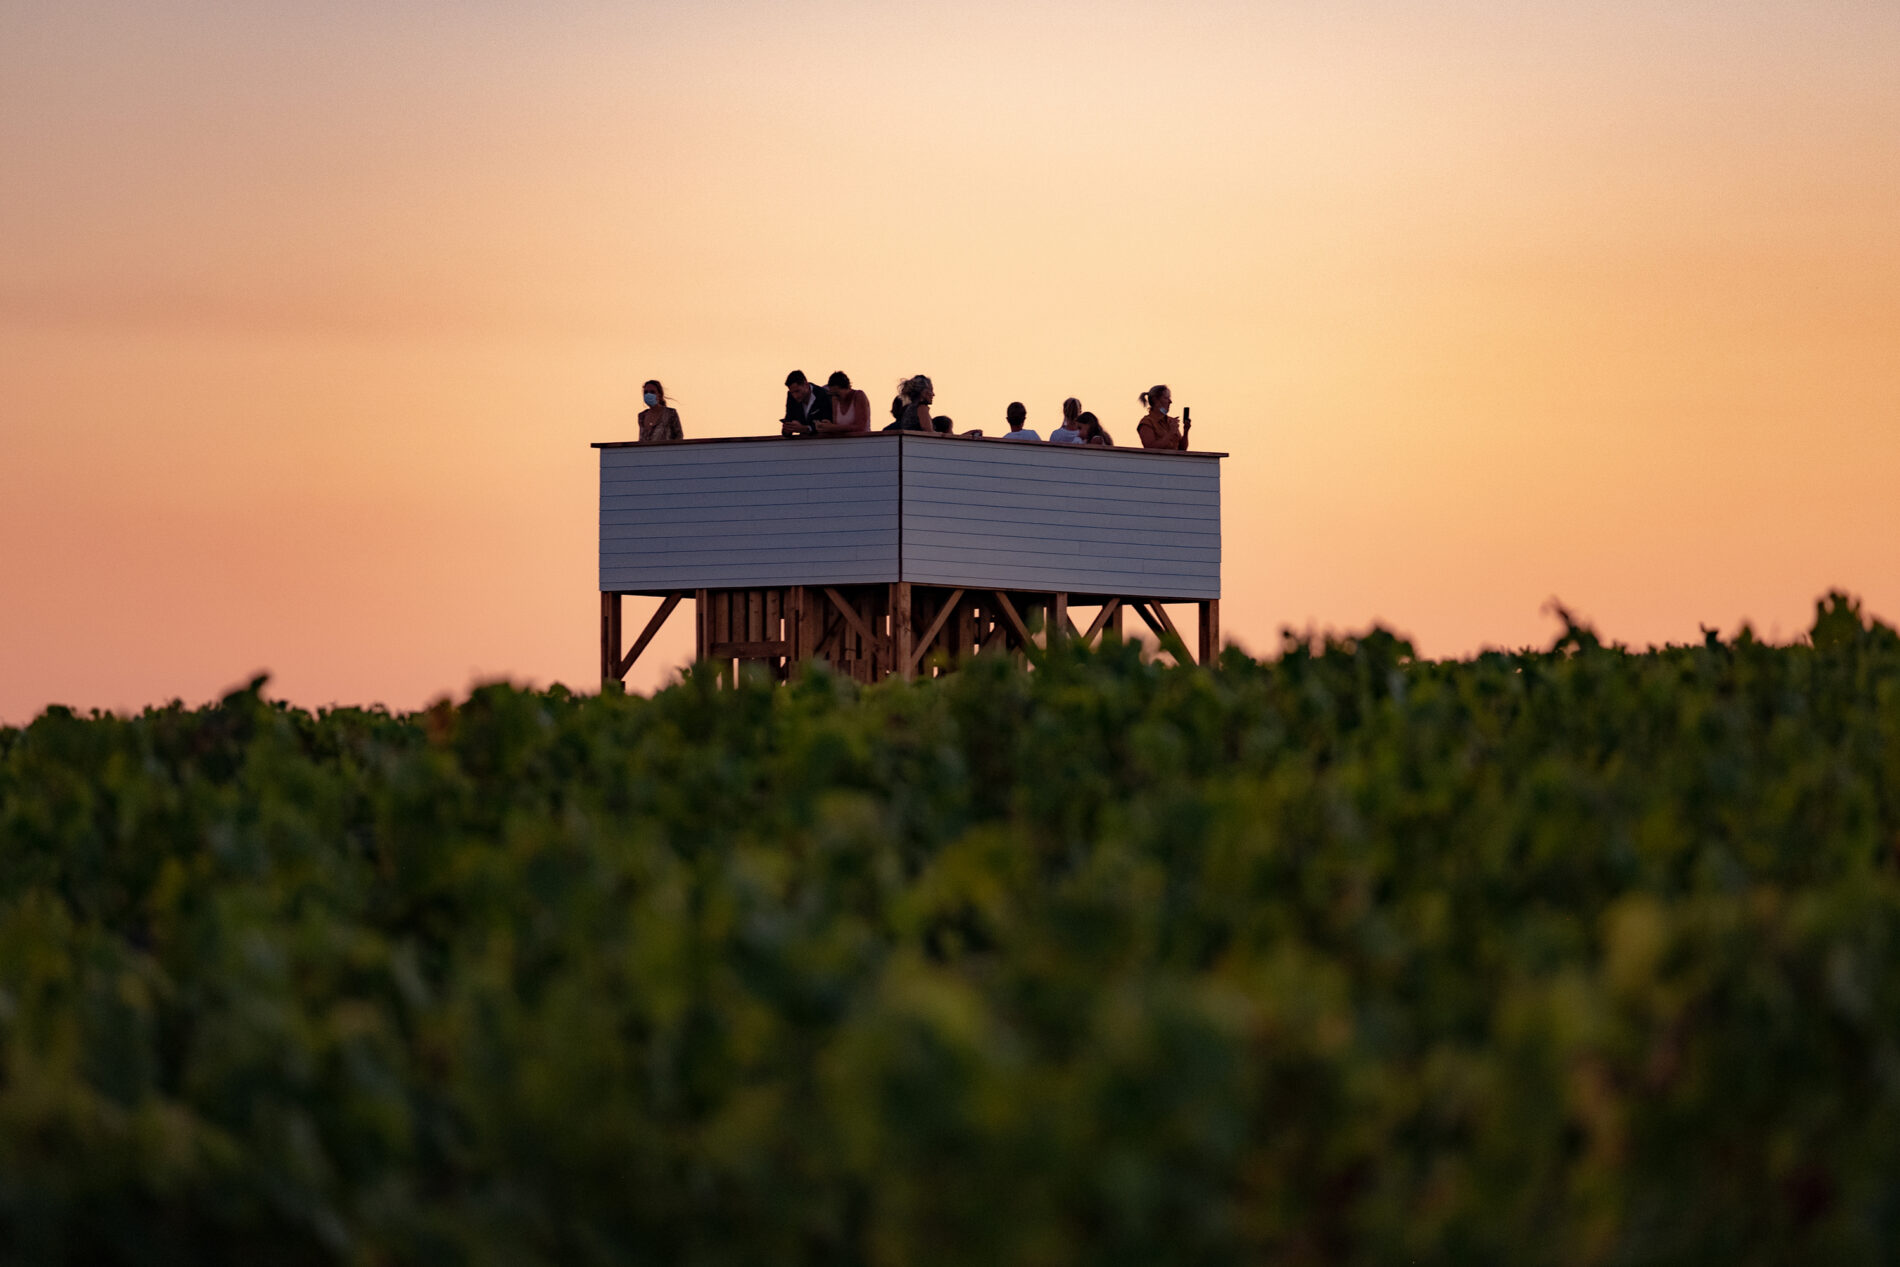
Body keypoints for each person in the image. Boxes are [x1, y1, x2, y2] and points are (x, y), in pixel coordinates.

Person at [815, 371, 872, 436]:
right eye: (832, 395)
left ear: (847, 388)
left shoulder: (858, 396)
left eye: (837, 394)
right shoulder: (835, 399)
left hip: (861, 441)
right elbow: (837, 427)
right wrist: (827, 426)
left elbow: (860, 427)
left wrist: (832, 427)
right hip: (843, 442)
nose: (835, 397)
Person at [1136, 384, 1190, 450]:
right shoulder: (1147, 422)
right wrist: (1171, 432)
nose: (1170, 402)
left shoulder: (1170, 421)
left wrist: (1186, 431)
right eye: (1166, 398)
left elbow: (1182, 449)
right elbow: (1150, 448)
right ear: (1155, 400)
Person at [781, 370, 833, 436]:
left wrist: (805, 429)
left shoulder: (822, 395)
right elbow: (788, 418)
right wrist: (788, 429)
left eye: (797, 391)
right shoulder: (791, 397)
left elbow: (828, 422)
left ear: (805, 384)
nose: (795, 396)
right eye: (792, 393)